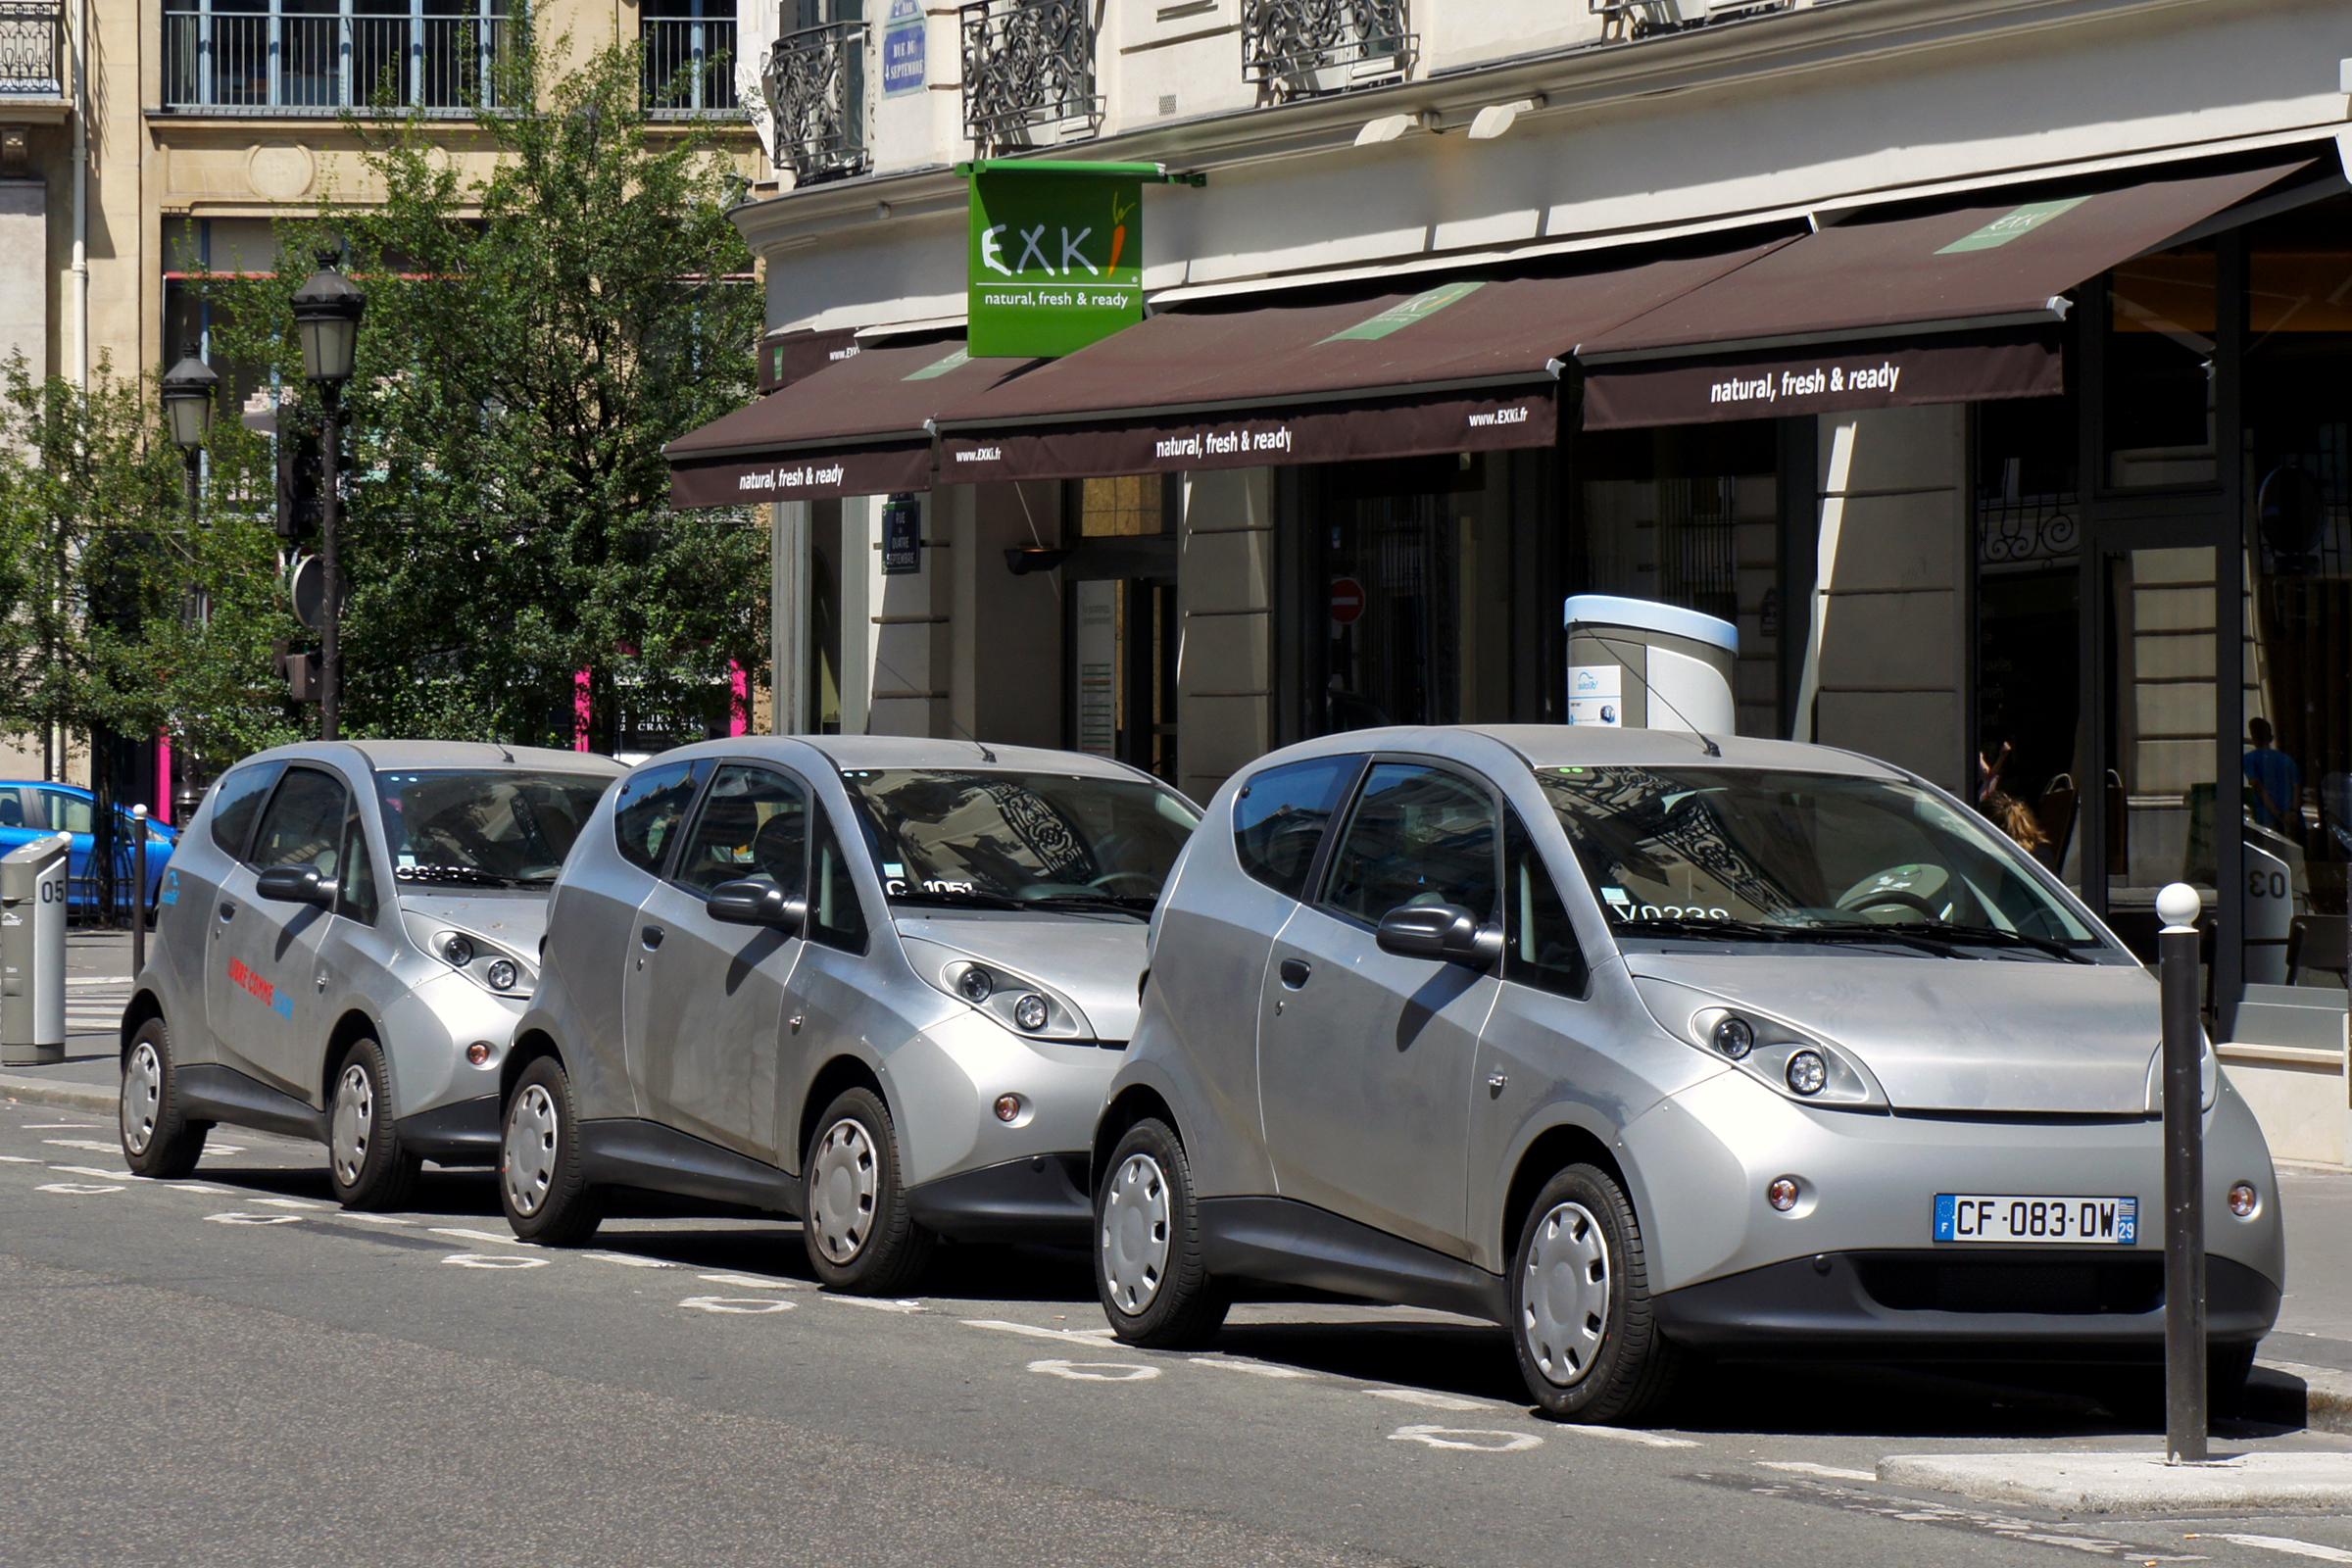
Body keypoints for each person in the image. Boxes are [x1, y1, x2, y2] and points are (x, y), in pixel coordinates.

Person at [2243, 717, 2302, 835]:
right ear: (2270, 737)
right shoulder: (2286, 759)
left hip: (2268, 819)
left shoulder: (2249, 759)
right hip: (2293, 820)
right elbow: (2297, 788)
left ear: (2254, 737)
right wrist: (2293, 813)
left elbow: (2258, 787)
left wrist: (2279, 814)